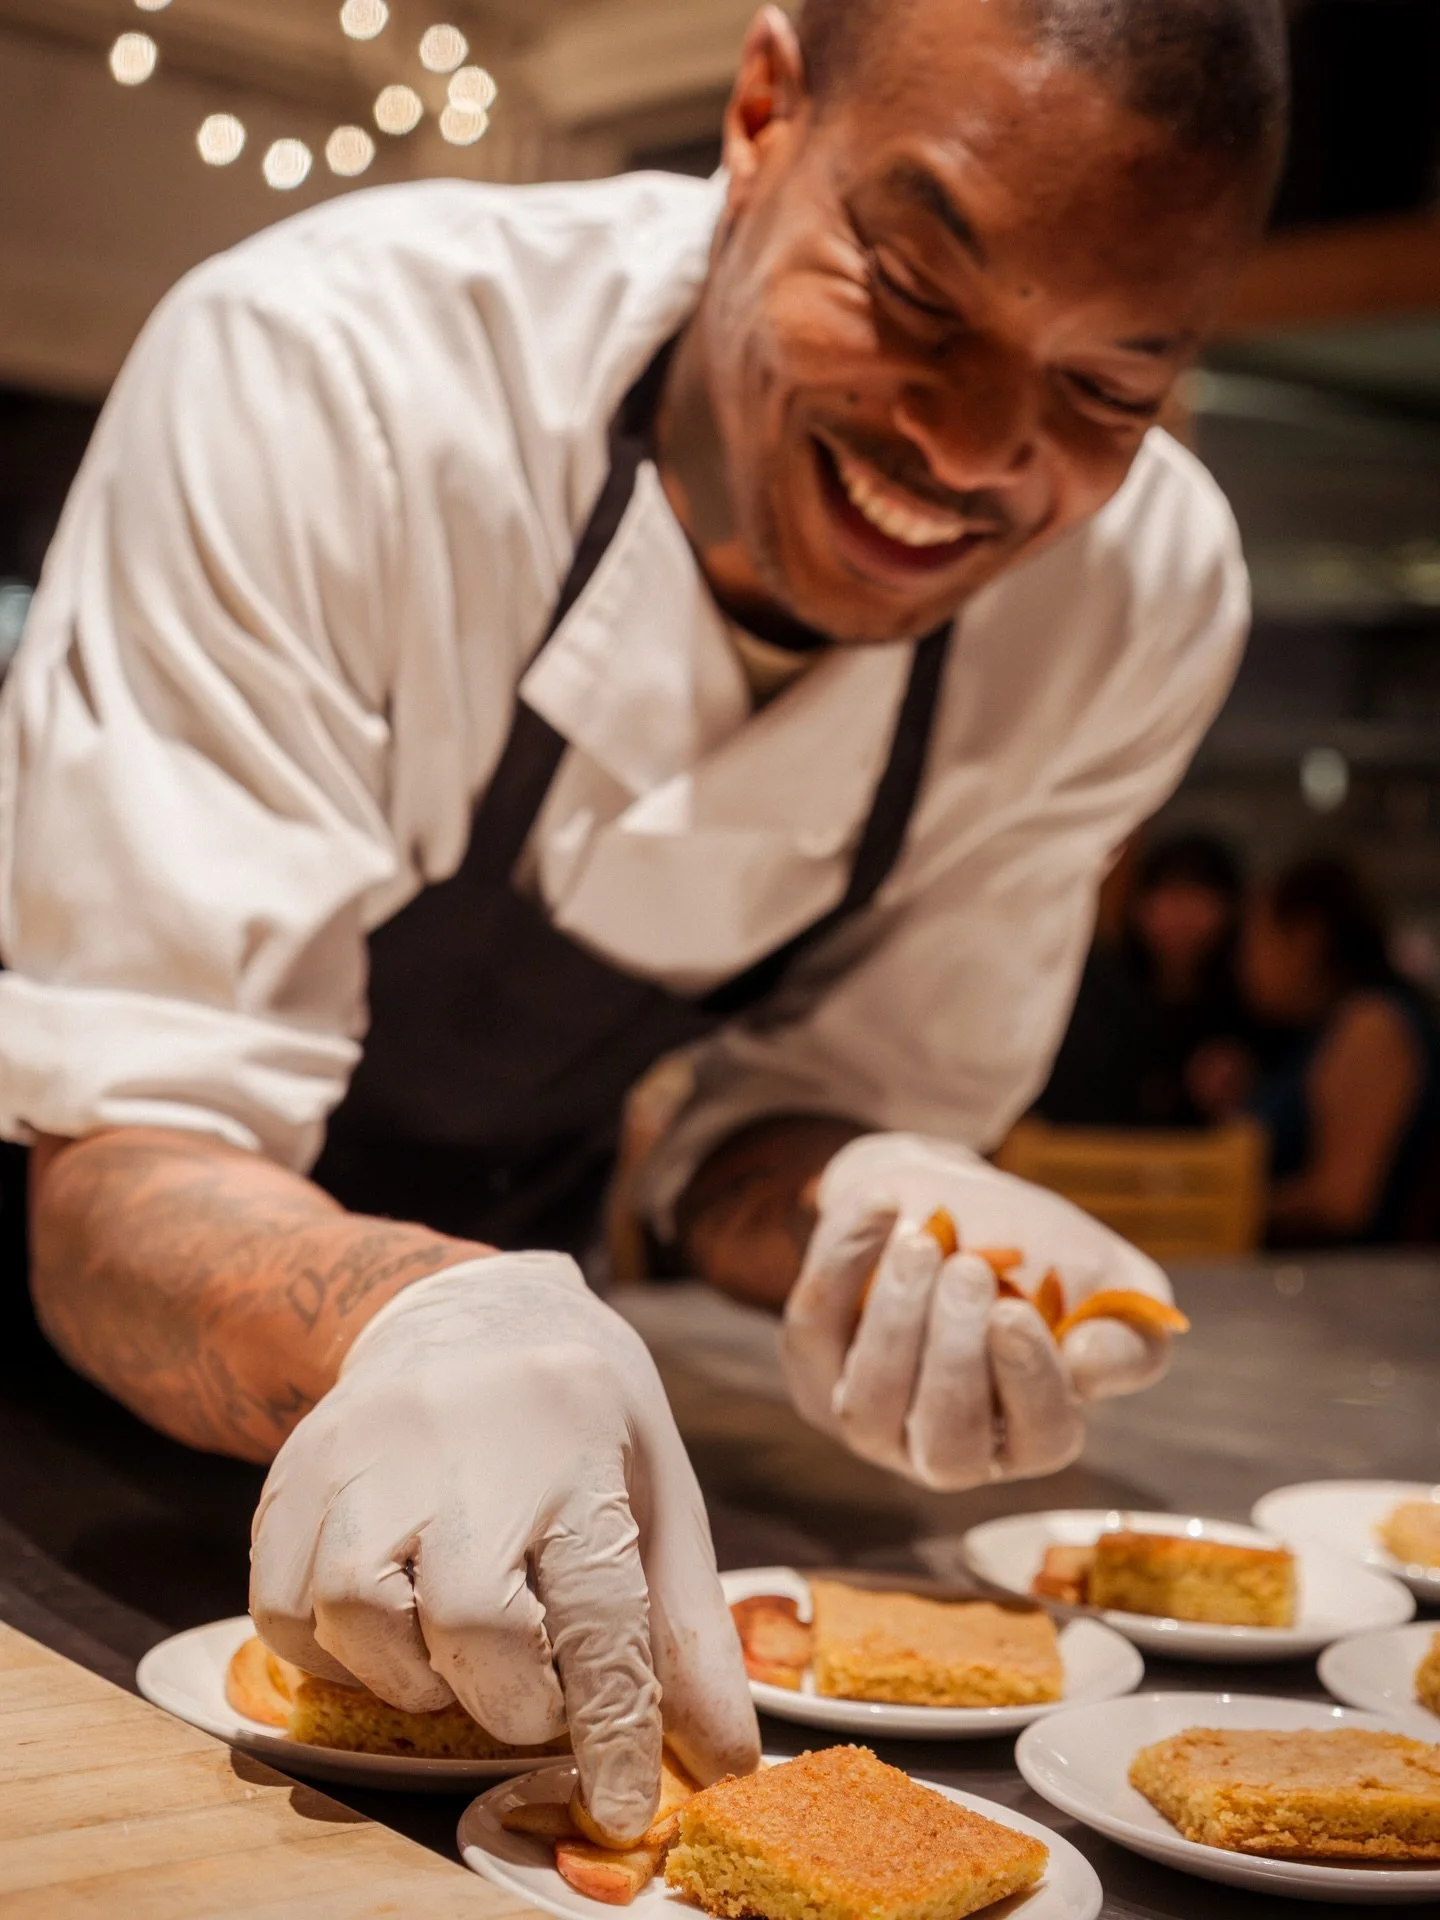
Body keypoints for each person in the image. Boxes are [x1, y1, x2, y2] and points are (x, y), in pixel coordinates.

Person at [0, 0, 1287, 1845]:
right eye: (917, 295)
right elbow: (123, 1155)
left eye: (1109, 389)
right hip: (60, 1384)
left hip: (561, 1441)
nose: (975, 453)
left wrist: (858, 1206)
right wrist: (430, 1315)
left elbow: (754, 1135)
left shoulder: (1138, 600)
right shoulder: (344, 375)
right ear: (760, 113)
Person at [1238, 856, 1440, 1245]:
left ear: (1306, 938)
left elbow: (1341, 1203)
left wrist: (1212, 1204)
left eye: (1254, 938)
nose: (1244, 963)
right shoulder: (1325, 1029)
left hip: (1353, 1287)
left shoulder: (1372, 1026)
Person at [1036, 832, 1252, 1127]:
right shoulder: (1099, 988)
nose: (1183, 916)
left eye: (1199, 897)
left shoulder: (1246, 999)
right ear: (1139, 906)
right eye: (1171, 896)